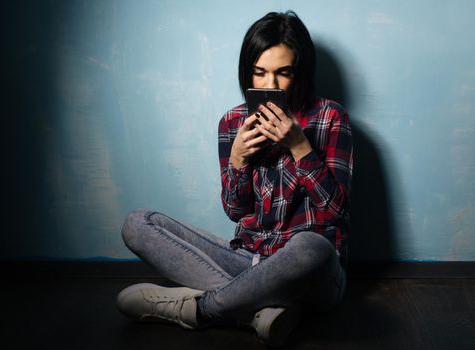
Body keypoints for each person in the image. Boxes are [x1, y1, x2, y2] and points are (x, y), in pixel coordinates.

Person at [117, 10, 353, 347]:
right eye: (259, 73)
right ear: (248, 73)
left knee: (312, 246)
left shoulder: (330, 117)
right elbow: (235, 212)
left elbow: (337, 214)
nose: (269, 86)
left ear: (300, 74)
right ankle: (258, 312)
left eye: (282, 73)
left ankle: (201, 310)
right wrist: (238, 159)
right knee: (138, 224)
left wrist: (299, 146)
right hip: (248, 262)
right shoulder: (232, 123)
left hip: (314, 275)